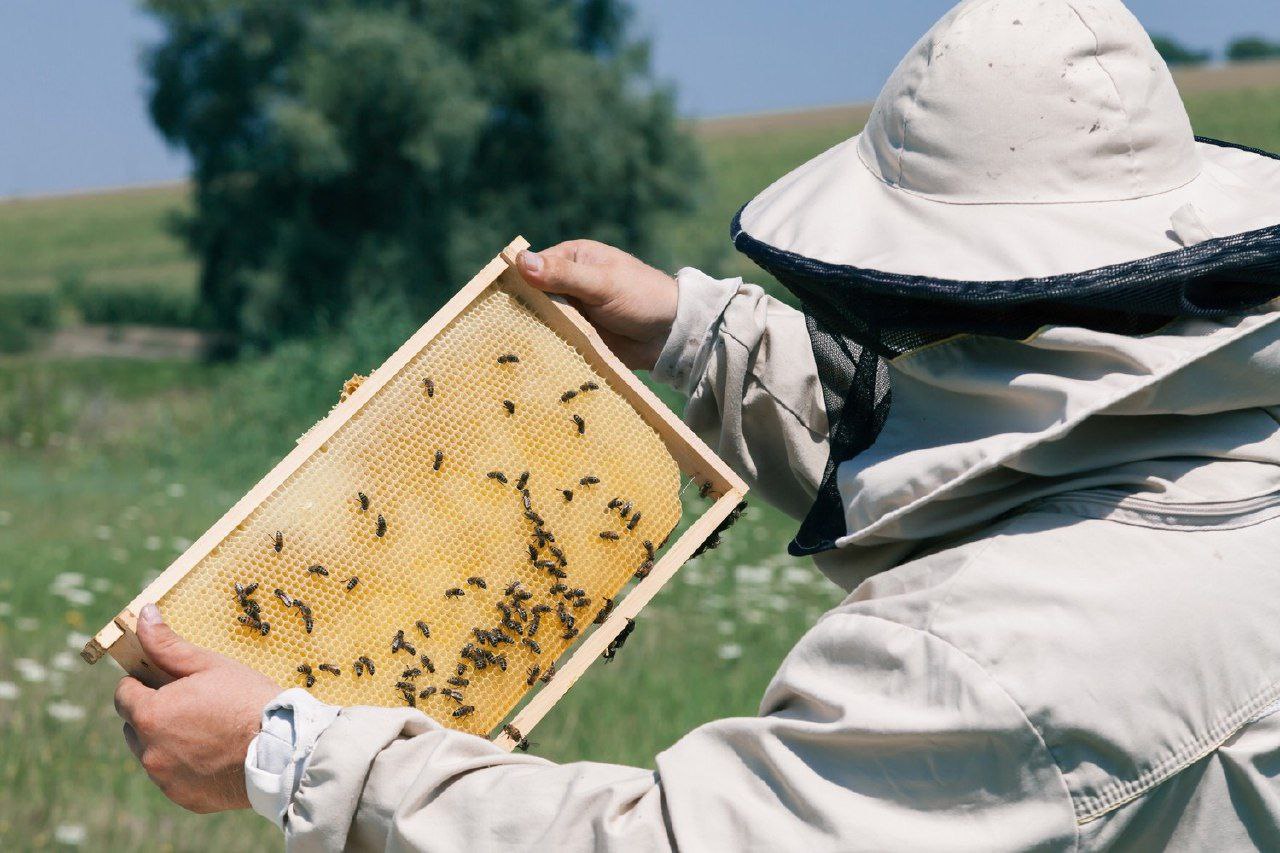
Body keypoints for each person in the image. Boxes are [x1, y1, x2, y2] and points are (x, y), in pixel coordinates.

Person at [114, 0, 1280, 849]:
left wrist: (300, 757)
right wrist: (691, 331)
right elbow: (1008, 437)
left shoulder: (977, 666)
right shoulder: (1223, 442)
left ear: (911, 290)